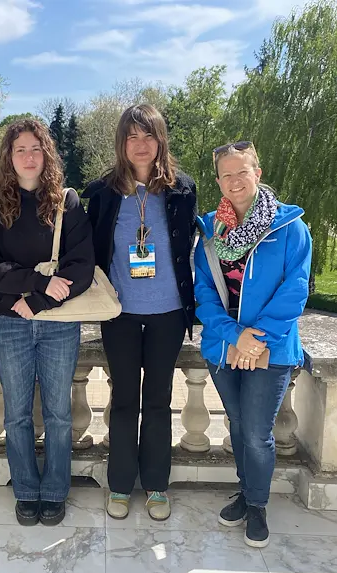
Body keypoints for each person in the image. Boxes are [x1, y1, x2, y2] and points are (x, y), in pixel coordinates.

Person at [0, 119, 95, 526]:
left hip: (59, 321)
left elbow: (81, 267)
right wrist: (37, 284)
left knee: (58, 413)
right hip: (9, 322)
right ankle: (25, 489)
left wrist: (37, 302)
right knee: (17, 414)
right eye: (20, 149)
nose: (28, 157)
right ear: (9, 156)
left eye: (36, 149)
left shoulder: (66, 203)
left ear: (47, 154)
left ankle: (55, 490)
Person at [194, 141, 311, 548]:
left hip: (271, 349)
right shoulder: (211, 230)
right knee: (239, 425)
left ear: (257, 173)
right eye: (226, 175)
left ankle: (257, 505)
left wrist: (254, 340)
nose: (234, 181)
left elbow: (295, 290)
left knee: (258, 433)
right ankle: (245, 493)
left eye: (242, 172)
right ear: (218, 181)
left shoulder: (289, 226)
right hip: (224, 346)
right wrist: (234, 336)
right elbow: (203, 292)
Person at [84, 104, 197, 522]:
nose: (141, 144)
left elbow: (191, 248)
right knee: (124, 399)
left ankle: (156, 484)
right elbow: (90, 251)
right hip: (121, 314)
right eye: (132, 136)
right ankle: (119, 483)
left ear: (160, 140)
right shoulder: (103, 192)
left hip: (169, 313)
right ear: (122, 143)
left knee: (159, 400)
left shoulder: (182, 189)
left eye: (148, 135)